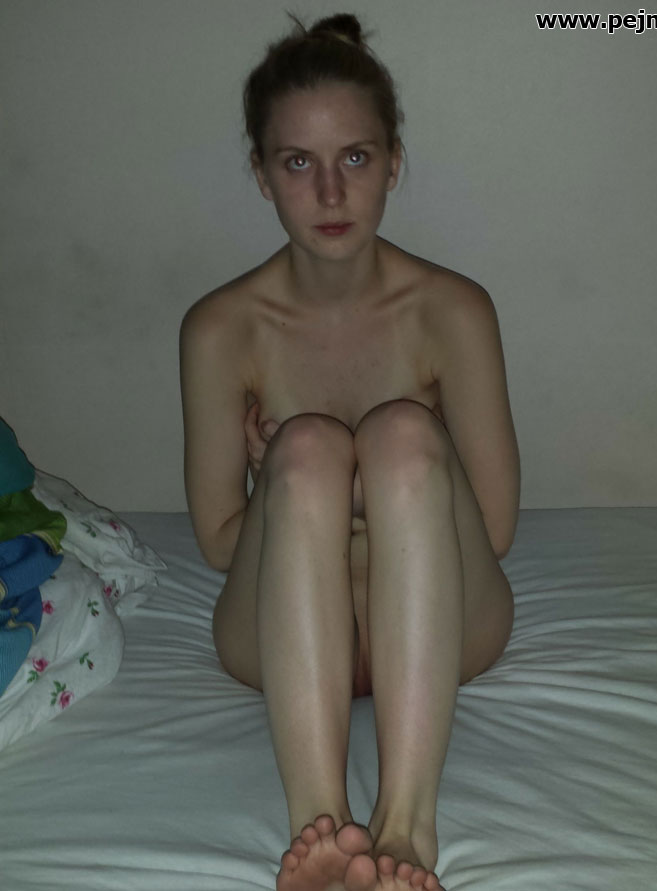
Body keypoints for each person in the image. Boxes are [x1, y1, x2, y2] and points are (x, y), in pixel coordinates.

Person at [179, 13, 520, 891]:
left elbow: (494, 528)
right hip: (278, 631)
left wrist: (387, 469)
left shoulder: (453, 309)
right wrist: (287, 474)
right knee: (306, 450)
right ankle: (321, 833)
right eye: (299, 163)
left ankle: (406, 828)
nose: (331, 192)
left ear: (393, 163)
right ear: (262, 173)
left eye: (356, 158)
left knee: (402, 435)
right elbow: (219, 541)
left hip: (448, 622)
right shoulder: (221, 329)